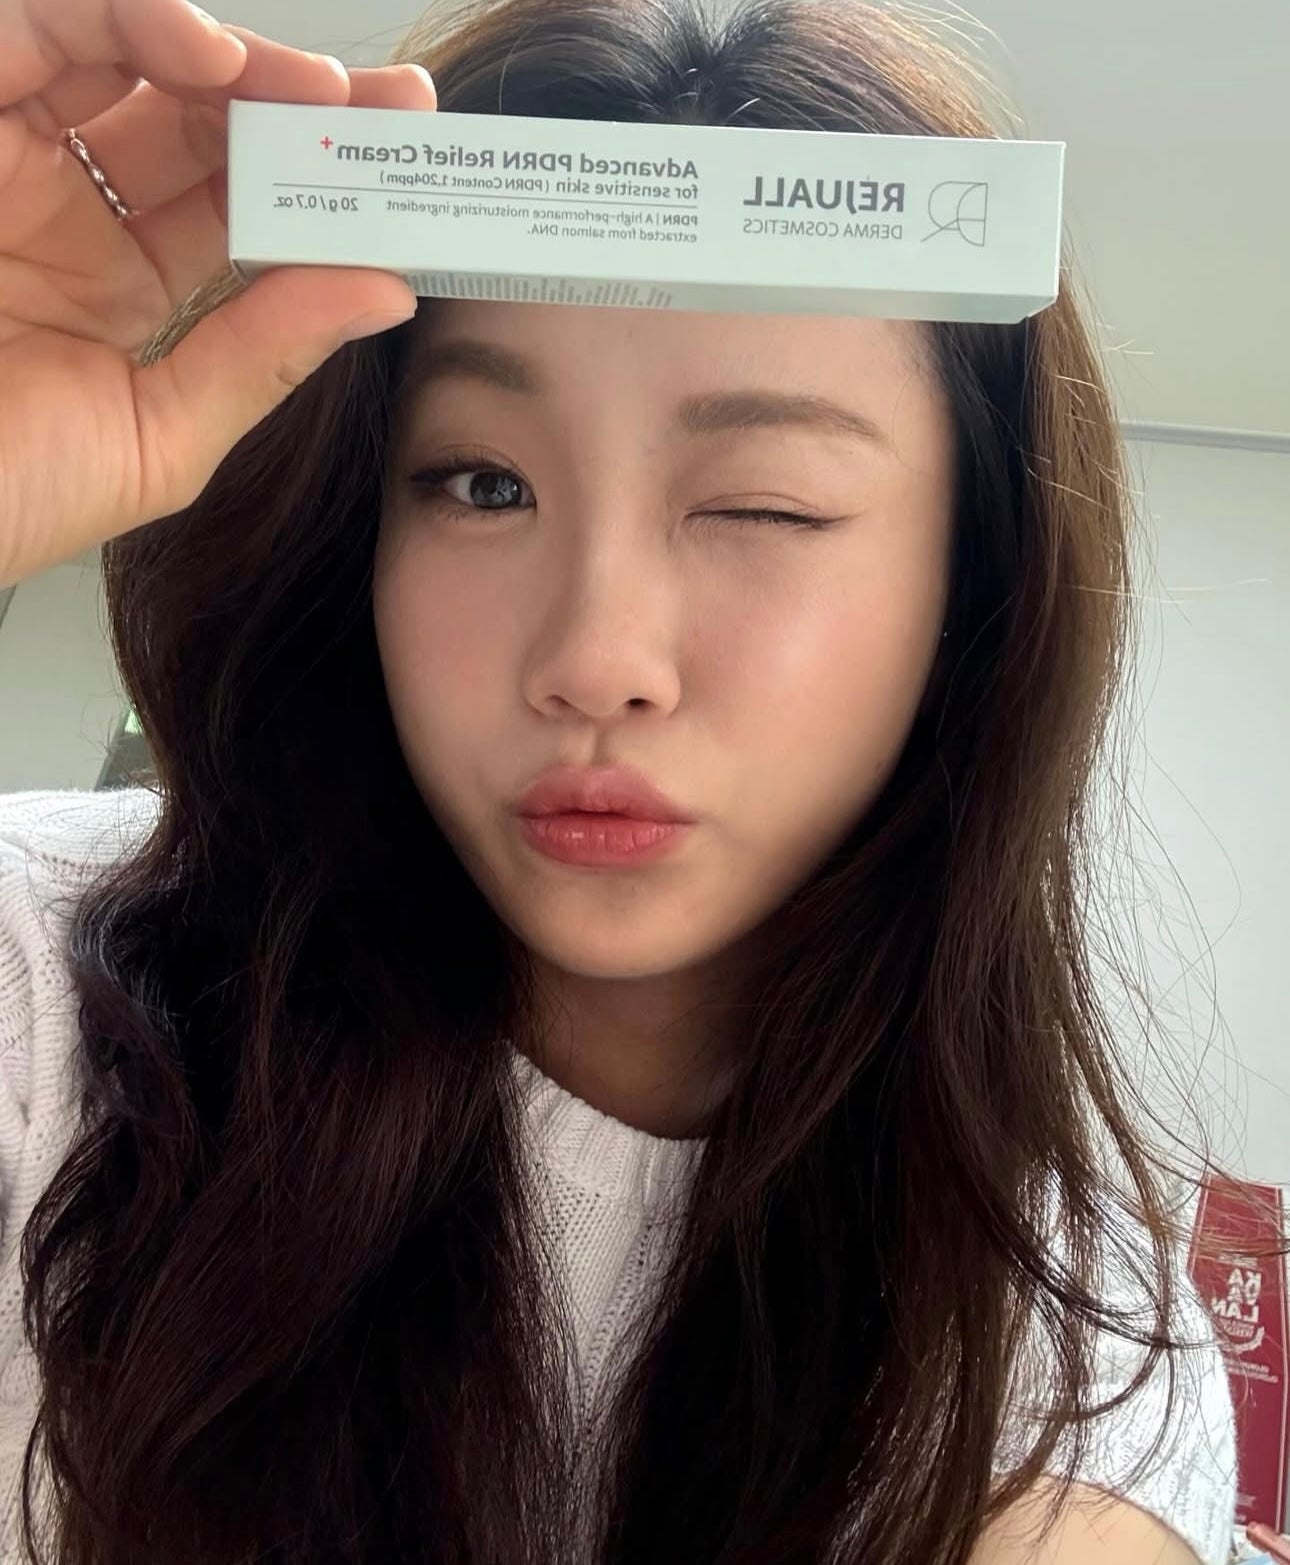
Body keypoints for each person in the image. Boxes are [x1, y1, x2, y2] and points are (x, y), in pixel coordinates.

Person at [0, 0, 1244, 1560]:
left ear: (971, 586)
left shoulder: (1061, 1337)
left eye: (761, 504)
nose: (596, 658)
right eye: (481, 482)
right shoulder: (44, 995)